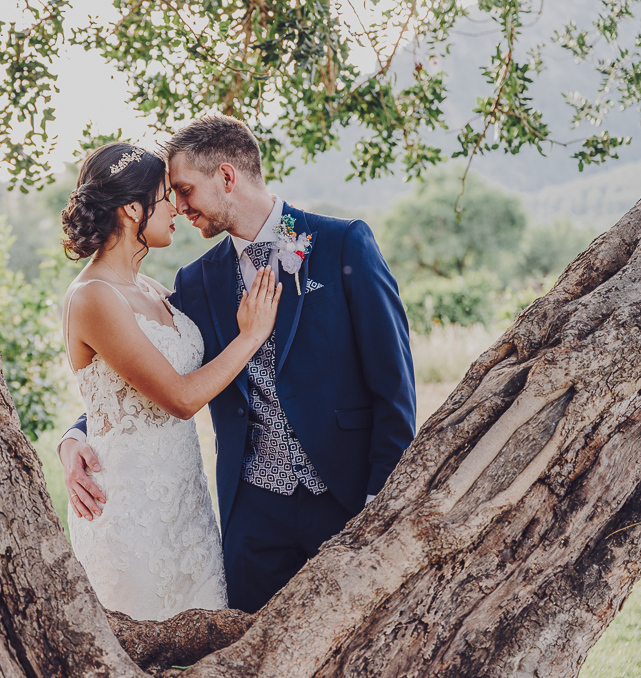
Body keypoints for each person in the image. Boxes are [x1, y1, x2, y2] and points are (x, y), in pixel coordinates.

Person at [59, 116, 416, 614]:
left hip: (347, 497)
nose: (179, 208)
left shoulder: (341, 245)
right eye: (171, 196)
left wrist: (385, 500)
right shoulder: (196, 281)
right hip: (251, 516)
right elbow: (143, 374)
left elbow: (394, 387)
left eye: (184, 190)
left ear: (227, 178)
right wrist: (77, 434)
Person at [59, 141, 282, 621]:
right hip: (131, 515)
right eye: (167, 196)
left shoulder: (154, 290)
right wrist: (251, 336)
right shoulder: (93, 297)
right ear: (133, 209)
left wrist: (72, 434)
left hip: (188, 511)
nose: (178, 208)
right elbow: (180, 398)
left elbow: (126, 394)